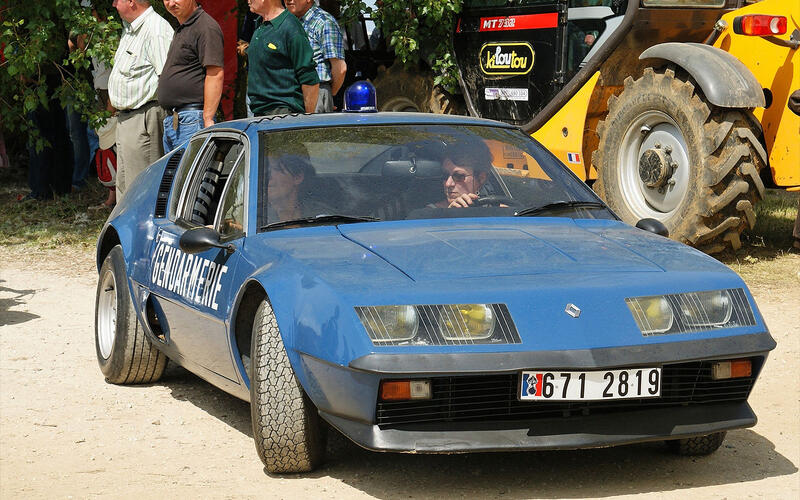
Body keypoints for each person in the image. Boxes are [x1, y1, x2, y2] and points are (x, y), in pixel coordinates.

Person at [108, 0, 173, 200]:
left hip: (144, 118)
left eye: (117, 0)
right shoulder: (131, 28)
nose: (113, 4)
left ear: (131, 2)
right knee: (126, 189)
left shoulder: (156, 29)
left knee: (142, 192)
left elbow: (167, 79)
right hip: (127, 120)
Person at [158, 0, 224, 153]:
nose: (171, 3)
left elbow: (215, 74)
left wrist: (208, 119)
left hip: (193, 120)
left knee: (189, 169)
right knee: (177, 170)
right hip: (176, 121)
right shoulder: (184, 27)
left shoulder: (205, 26)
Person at [246, 0, 320, 116]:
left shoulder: (291, 26)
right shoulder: (260, 25)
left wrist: (307, 118)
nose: (248, 1)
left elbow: (309, 77)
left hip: (283, 113)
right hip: (259, 113)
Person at [286, 0, 347, 113]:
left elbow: (340, 69)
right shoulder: (289, 22)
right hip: (292, 93)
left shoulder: (324, 21)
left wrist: (327, 94)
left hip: (317, 91)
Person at [431, 141, 494, 208]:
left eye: (458, 176)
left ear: (481, 178)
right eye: (445, 176)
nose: (448, 184)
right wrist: (450, 212)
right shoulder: (431, 212)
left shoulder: (497, 209)